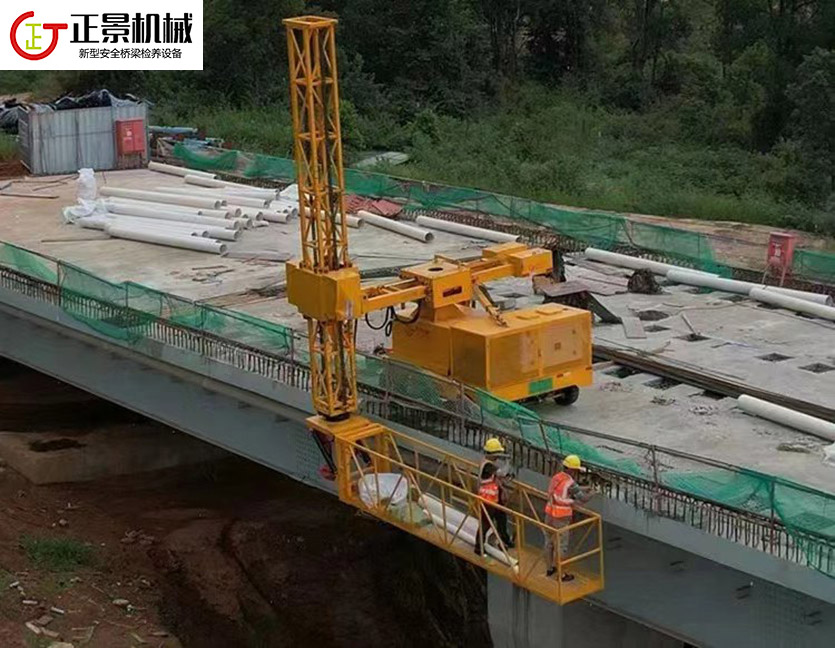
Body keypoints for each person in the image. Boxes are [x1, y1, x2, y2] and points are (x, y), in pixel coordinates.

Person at [544, 454, 592, 581]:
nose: (577, 473)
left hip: (549, 514)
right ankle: (561, 575)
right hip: (561, 518)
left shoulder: (556, 477)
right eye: (576, 470)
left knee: (549, 542)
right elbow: (583, 499)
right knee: (562, 546)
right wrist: (593, 492)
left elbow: (566, 488)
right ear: (571, 470)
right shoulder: (570, 483)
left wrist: (582, 488)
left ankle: (550, 568)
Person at [474, 438, 515, 555]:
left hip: (495, 499)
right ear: (493, 454)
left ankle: (505, 540)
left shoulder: (489, 464)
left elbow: (498, 478)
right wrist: (508, 462)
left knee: (502, 519)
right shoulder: (487, 465)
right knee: (485, 524)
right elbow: (501, 473)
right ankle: (478, 547)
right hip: (487, 500)